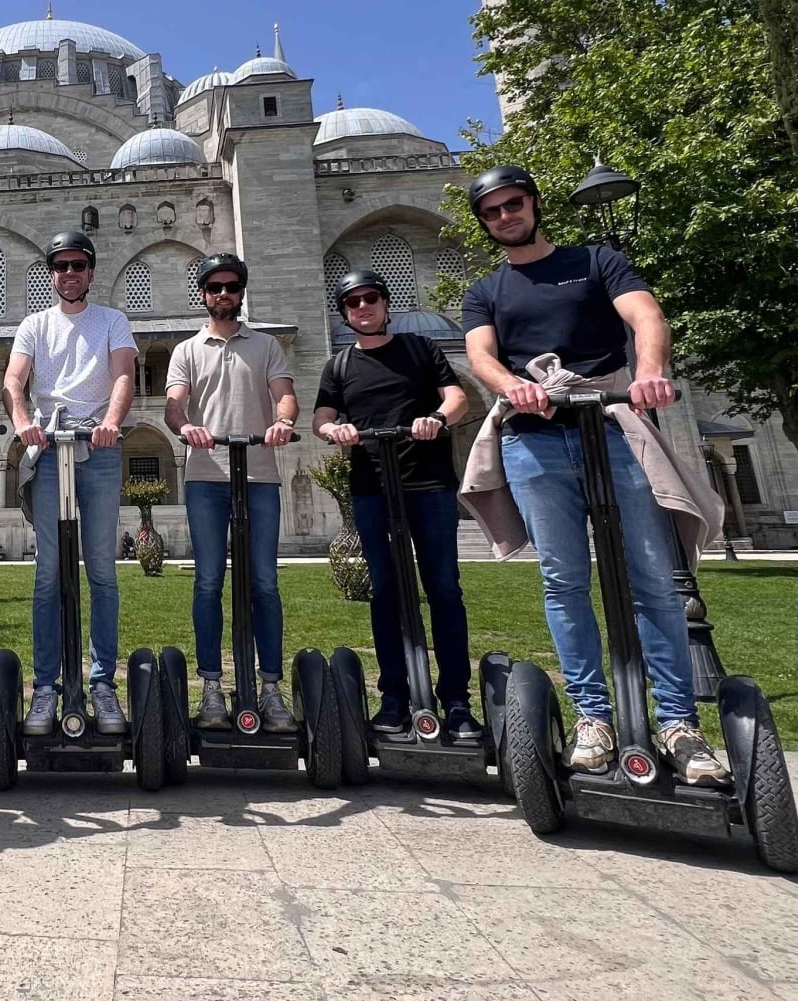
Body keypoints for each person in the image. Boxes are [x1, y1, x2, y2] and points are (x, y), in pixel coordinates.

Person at [460, 164, 729, 787]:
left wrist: (650, 371)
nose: (505, 216)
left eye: (513, 205)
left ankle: (679, 724)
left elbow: (646, 318)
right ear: (485, 221)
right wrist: (515, 390)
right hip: (536, 440)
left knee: (653, 580)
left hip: (611, 424)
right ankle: (593, 718)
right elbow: (481, 356)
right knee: (563, 580)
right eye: (493, 211)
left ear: (534, 203)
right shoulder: (487, 290)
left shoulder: (597, 260)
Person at [312, 268, 480, 739]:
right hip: (371, 486)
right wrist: (335, 431)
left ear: (386, 304)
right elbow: (322, 418)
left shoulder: (421, 350)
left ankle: (456, 700)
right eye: (353, 302)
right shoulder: (340, 365)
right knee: (385, 593)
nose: (362, 307)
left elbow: (457, 399)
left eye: (370, 299)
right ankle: (394, 697)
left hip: (427, 484)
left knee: (444, 589)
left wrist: (435, 418)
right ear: (344, 313)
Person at [2, 231, 136, 737]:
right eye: (60, 266)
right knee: (48, 574)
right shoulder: (35, 326)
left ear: (91, 272)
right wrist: (20, 420)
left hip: (97, 449)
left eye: (78, 265)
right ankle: (45, 687)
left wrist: (112, 422)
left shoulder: (112, 321)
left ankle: (102, 682)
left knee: (101, 570)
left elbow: (123, 374)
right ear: (51, 274)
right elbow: (15, 381)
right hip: (49, 447)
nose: (69, 273)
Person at [165, 253, 301, 732]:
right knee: (208, 580)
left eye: (232, 286)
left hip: (259, 474)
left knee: (264, 580)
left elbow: (284, 392)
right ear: (203, 294)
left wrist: (283, 420)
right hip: (207, 476)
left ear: (242, 292)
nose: (224, 294)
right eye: (215, 287)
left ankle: (269, 687)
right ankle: (211, 687)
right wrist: (187, 428)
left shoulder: (265, 345)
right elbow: (174, 407)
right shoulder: (187, 349)